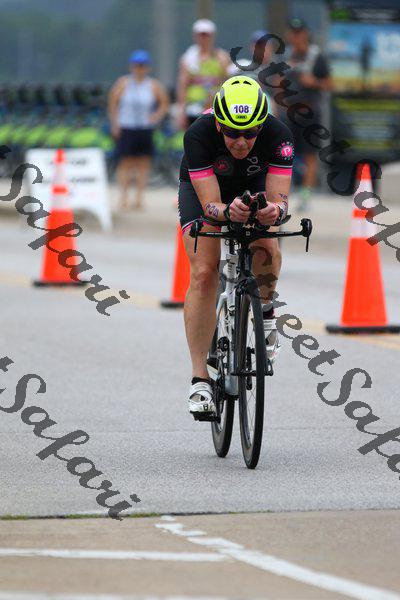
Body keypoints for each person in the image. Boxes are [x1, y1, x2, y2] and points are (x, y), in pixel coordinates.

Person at [178, 76, 294, 418]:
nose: (241, 142)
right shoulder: (198, 134)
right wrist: (227, 212)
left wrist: (275, 211)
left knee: (267, 249)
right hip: (206, 190)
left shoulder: (279, 135)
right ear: (218, 124)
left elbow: (280, 201)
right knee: (203, 273)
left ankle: (266, 312)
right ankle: (200, 379)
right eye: (232, 133)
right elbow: (210, 206)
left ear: (262, 126)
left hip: (254, 183)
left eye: (250, 133)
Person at [278, 18, 332, 212]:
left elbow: (329, 84)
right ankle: (284, 192)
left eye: (299, 32)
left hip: (310, 113)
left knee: (310, 155)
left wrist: (313, 82)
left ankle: (305, 196)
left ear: (306, 34)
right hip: (289, 113)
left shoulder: (317, 57)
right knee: (284, 153)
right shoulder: (285, 57)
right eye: (293, 32)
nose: (296, 36)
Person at [108, 50, 169, 210]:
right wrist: (115, 123)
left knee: (143, 163)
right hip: (127, 126)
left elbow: (164, 102)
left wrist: (156, 116)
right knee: (125, 162)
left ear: (147, 67)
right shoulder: (123, 83)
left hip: (144, 127)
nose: (139, 69)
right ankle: (124, 197)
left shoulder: (153, 85)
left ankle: (139, 199)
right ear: (132, 67)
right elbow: (113, 103)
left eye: (142, 66)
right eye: (137, 65)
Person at [176, 19, 230, 130]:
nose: (204, 39)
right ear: (195, 36)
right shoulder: (188, 58)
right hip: (193, 108)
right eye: (201, 35)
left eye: (206, 35)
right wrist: (181, 110)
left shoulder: (222, 57)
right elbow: (183, 85)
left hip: (216, 108)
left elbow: (227, 80)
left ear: (212, 36)